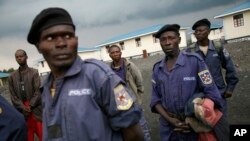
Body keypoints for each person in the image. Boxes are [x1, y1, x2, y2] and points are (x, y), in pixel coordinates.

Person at [27, 7, 144, 141]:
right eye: (50, 37)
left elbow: (133, 133)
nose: (61, 43)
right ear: (38, 46)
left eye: (67, 36)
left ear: (76, 40)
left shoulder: (100, 77)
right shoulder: (46, 87)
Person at [150, 24, 223, 141]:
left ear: (179, 40)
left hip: (193, 128)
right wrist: (170, 120)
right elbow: (155, 100)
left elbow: (212, 93)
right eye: (163, 39)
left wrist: (194, 122)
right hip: (168, 128)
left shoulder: (195, 61)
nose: (167, 42)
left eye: (171, 38)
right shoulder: (157, 68)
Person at [186, 18, 239, 115]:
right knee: (204, 124)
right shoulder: (190, 51)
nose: (197, 33)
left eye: (201, 30)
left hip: (219, 92)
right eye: (196, 31)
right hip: (199, 95)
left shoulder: (217, 47)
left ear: (208, 31)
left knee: (221, 122)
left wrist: (230, 88)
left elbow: (230, 67)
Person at [108, 44, 151, 141]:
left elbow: (139, 82)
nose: (115, 54)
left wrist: (137, 98)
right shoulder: (108, 70)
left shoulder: (129, 66)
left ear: (121, 53)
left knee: (142, 125)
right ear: (109, 55)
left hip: (133, 101)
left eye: (117, 52)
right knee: (126, 128)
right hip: (119, 103)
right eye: (113, 52)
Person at [8, 49, 43, 141]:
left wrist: (30, 105)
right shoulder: (12, 76)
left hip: (35, 109)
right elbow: (13, 96)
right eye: (17, 57)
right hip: (22, 111)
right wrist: (23, 107)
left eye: (21, 56)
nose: (19, 58)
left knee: (42, 135)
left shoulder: (34, 72)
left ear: (26, 57)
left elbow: (38, 91)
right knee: (27, 136)